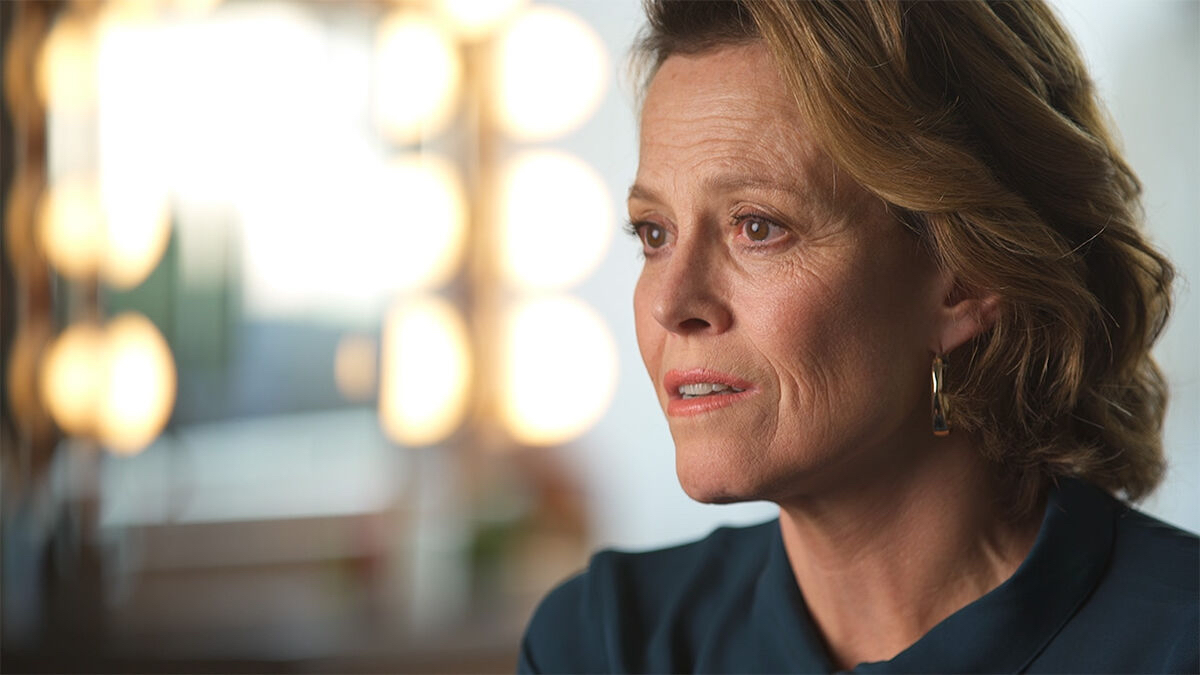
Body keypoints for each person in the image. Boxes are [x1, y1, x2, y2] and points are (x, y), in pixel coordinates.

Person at [518, 1, 1198, 672]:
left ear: (967, 277)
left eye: (757, 227)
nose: (671, 304)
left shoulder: (1177, 642)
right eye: (654, 233)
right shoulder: (604, 643)